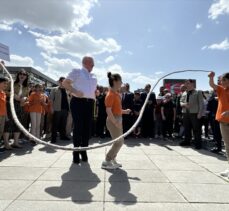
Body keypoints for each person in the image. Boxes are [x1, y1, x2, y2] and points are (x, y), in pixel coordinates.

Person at [63, 56, 97, 164]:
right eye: (92, 63)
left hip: (90, 103)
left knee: (87, 129)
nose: (93, 65)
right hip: (78, 102)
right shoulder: (77, 71)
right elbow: (65, 83)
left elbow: (92, 89)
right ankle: (76, 152)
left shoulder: (93, 75)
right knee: (78, 127)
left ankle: (84, 151)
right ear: (86, 62)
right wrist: (75, 91)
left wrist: (95, 93)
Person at [101, 72, 131, 170]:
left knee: (119, 141)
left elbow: (116, 109)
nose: (122, 83)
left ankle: (112, 159)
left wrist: (124, 111)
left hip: (118, 119)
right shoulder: (110, 95)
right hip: (113, 121)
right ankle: (107, 161)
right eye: (120, 81)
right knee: (119, 142)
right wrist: (115, 122)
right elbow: (108, 110)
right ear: (114, 81)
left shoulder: (116, 94)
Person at [208, 72, 229, 178]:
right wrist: (211, 77)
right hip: (223, 121)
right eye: (221, 80)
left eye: (224, 80)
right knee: (227, 145)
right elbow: (212, 85)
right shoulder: (221, 89)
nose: (222, 82)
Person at [4, 69, 29, 148]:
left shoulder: (26, 87)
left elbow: (27, 96)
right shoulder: (12, 83)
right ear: (18, 75)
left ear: (26, 77)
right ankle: (6, 143)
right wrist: (12, 94)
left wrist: (25, 98)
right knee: (9, 123)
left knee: (18, 124)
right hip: (10, 104)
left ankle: (16, 142)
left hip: (20, 106)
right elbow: (4, 91)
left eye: (24, 74)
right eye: (21, 74)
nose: (22, 75)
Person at [179, 79, 204, 149]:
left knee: (196, 129)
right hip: (185, 113)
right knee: (187, 128)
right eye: (185, 83)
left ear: (192, 84)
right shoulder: (184, 93)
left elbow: (201, 103)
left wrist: (200, 113)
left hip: (195, 113)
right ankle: (187, 141)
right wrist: (184, 104)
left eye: (188, 83)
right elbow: (180, 102)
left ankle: (198, 144)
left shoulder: (198, 92)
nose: (186, 84)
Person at [50, 77, 70, 143]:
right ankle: (53, 138)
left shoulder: (67, 90)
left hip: (65, 110)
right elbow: (51, 99)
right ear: (59, 81)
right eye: (62, 81)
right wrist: (51, 108)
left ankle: (63, 136)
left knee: (63, 124)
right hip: (57, 109)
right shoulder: (54, 89)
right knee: (55, 124)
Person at [0, 76, 9, 149]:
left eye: (7, 84)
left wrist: (6, 117)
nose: (6, 85)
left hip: (2, 115)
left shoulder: (4, 93)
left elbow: (4, 106)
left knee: (1, 131)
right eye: (4, 83)